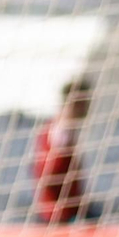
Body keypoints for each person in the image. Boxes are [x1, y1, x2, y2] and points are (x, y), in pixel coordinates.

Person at [32, 76, 93, 224]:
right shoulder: (61, 132)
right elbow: (48, 175)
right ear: (76, 103)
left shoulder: (57, 127)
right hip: (59, 216)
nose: (88, 107)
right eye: (85, 102)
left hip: (62, 211)